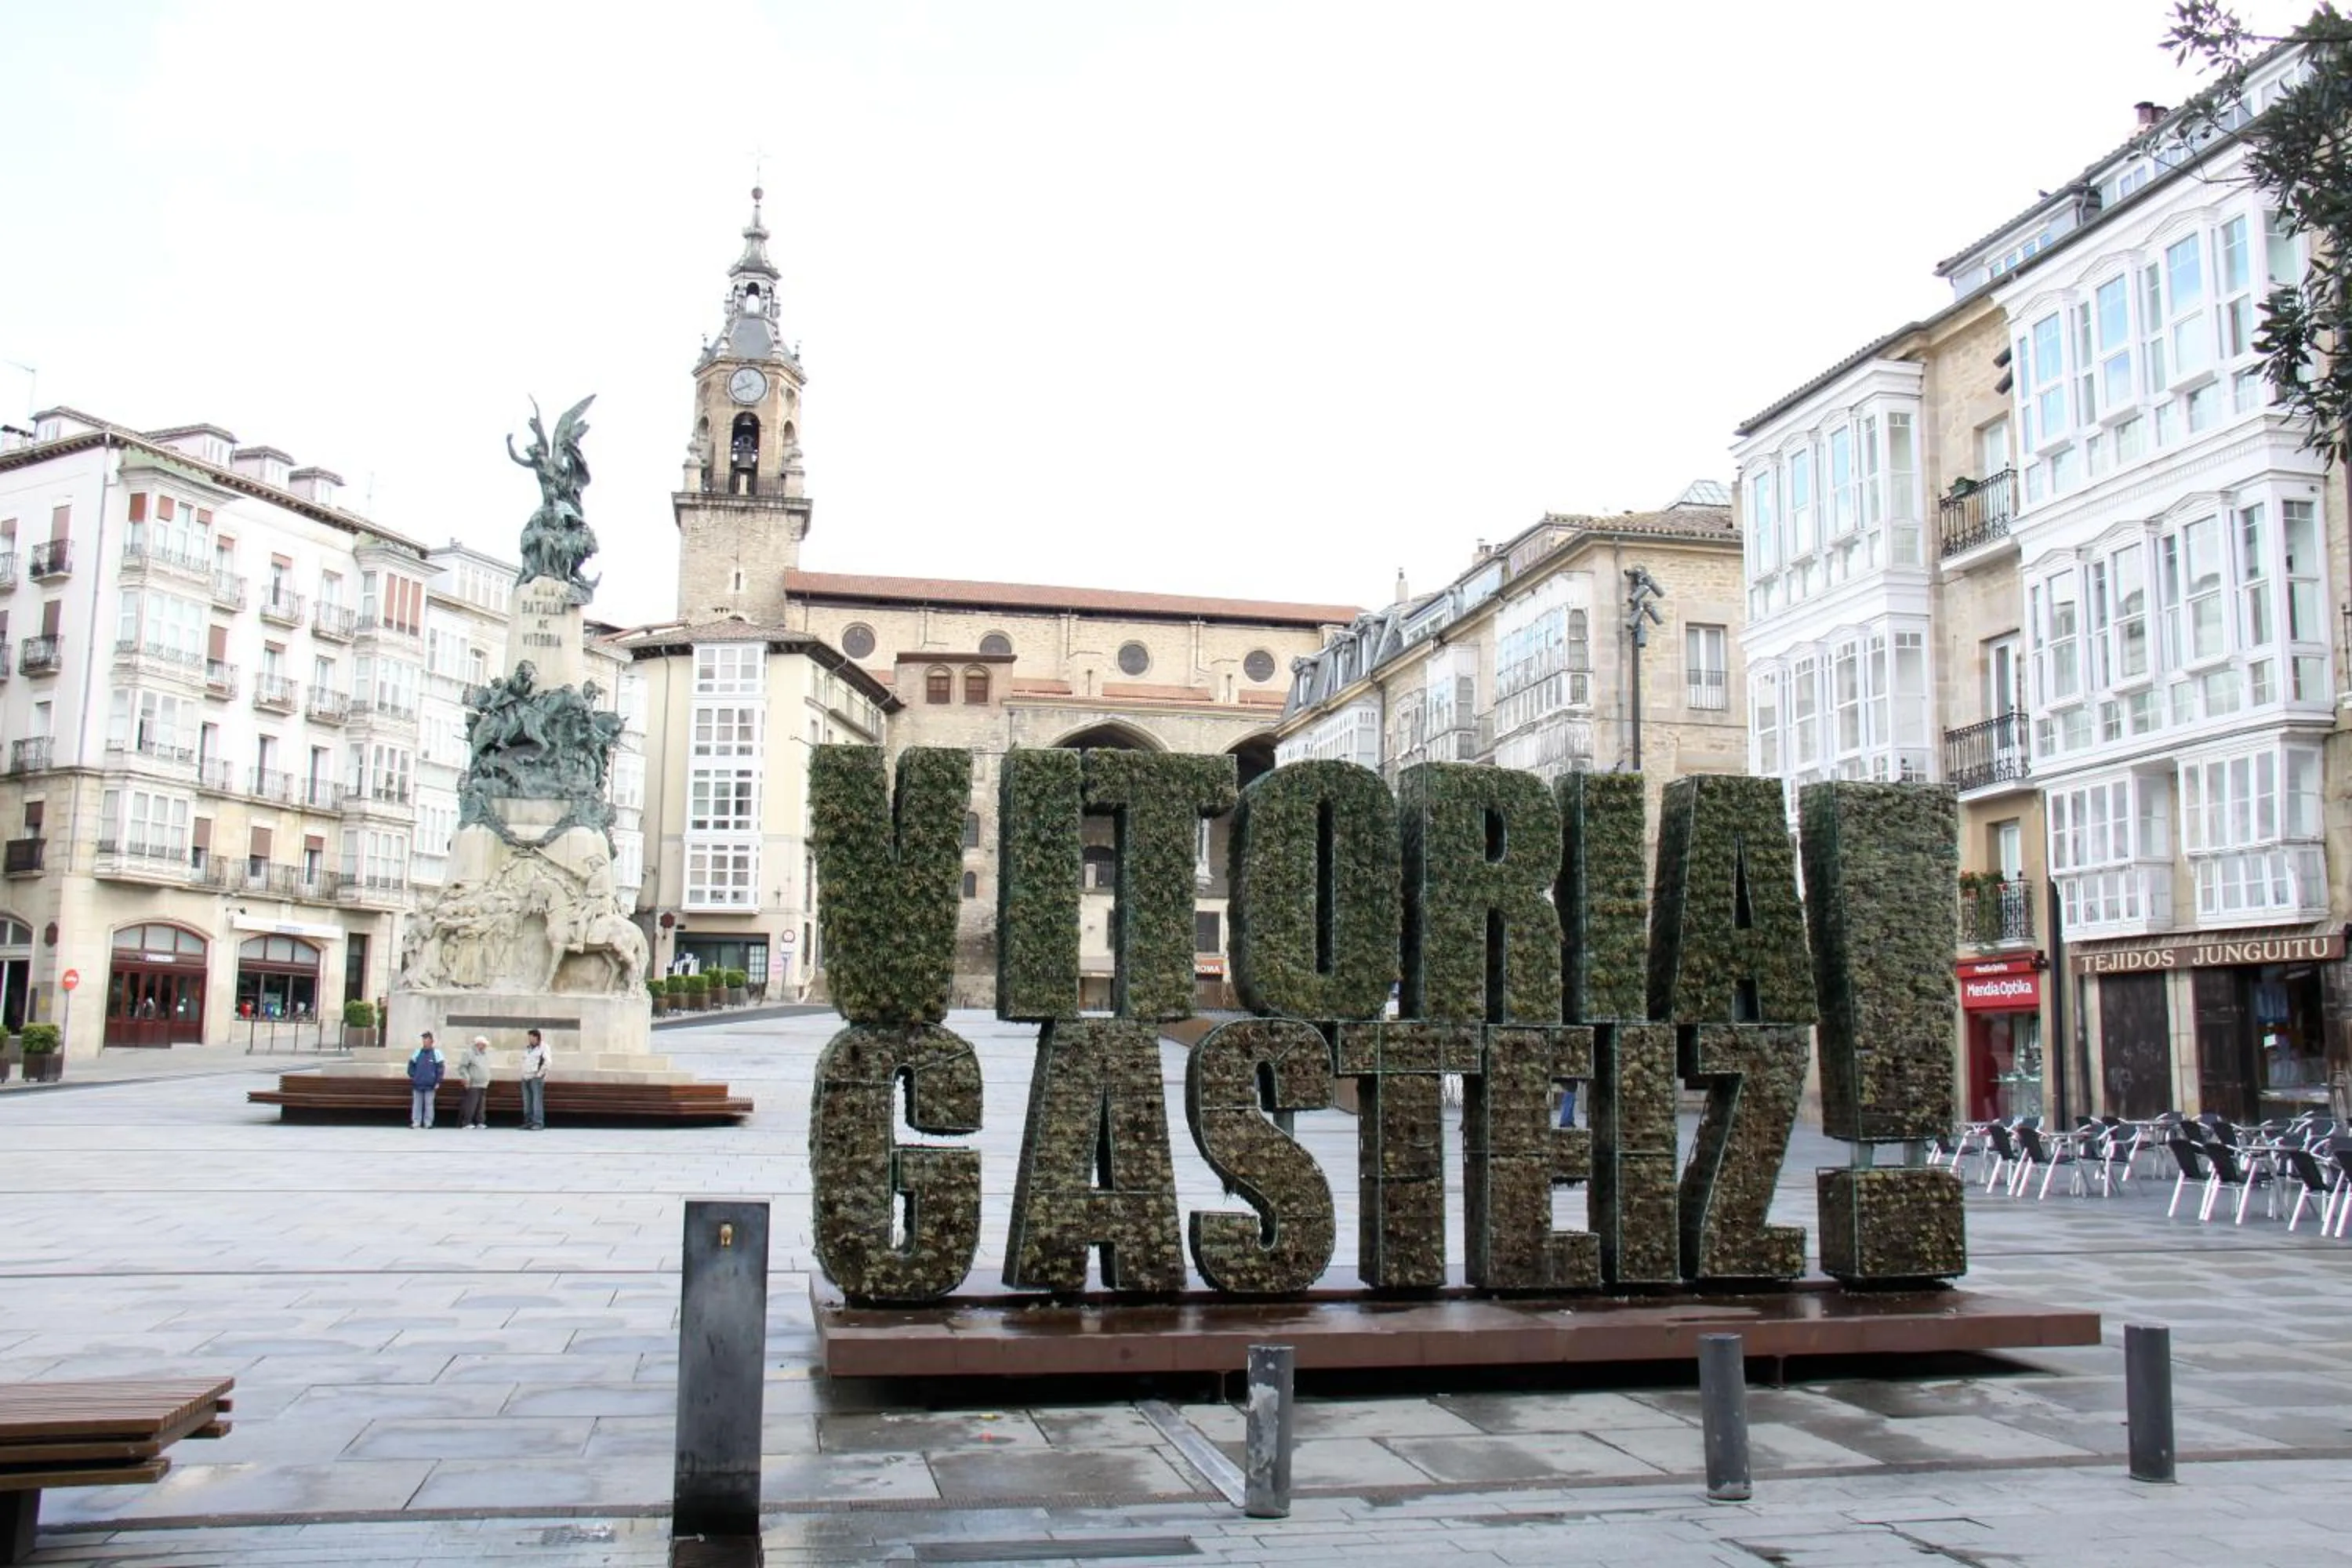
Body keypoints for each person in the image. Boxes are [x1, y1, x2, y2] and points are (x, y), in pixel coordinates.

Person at [406, 1030, 445, 1129]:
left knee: (429, 1105)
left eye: (427, 1039)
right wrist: (414, 1076)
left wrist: (438, 1082)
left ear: (432, 1041)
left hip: (430, 1084)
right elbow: (411, 1066)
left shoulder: (437, 1053)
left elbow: (440, 1069)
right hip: (418, 1083)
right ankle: (416, 1122)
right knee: (417, 1105)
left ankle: (428, 1123)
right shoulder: (417, 1052)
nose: (425, 1041)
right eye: (424, 1039)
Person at [459, 1035, 493, 1129]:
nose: (485, 1046)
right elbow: (462, 1067)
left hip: (483, 1084)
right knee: (471, 1104)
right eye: (484, 1044)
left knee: (481, 1105)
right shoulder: (469, 1053)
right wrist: (466, 1078)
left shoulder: (484, 1054)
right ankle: (467, 1122)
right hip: (473, 1083)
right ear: (479, 1044)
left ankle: (480, 1122)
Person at [520, 1027, 550, 1131]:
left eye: (531, 1037)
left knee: (537, 1101)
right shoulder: (527, 1048)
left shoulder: (543, 1048)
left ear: (537, 1037)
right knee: (527, 1101)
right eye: (529, 1037)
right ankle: (529, 1122)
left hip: (536, 1078)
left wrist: (539, 1074)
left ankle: (538, 1122)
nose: (530, 1039)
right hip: (526, 1077)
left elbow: (547, 1062)